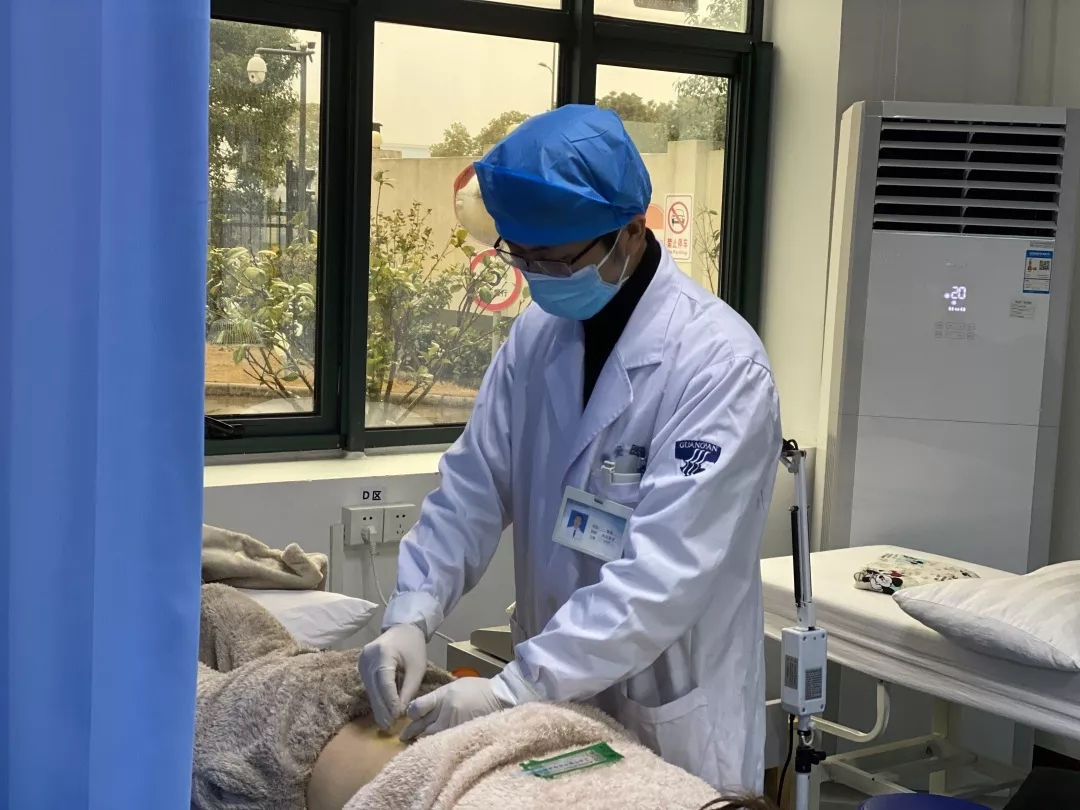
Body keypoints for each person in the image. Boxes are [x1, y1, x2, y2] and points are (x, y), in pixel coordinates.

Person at [358, 104, 782, 791]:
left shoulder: (720, 367)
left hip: (668, 709)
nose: (536, 275)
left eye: (554, 259)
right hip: (553, 701)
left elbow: (662, 577)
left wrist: (513, 688)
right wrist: (411, 613)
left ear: (630, 233)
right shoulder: (536, 338)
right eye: (520, 255)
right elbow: (472, 489)